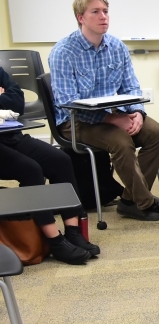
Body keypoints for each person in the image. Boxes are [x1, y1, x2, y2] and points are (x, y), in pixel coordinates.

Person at [49, 0, 159, 222]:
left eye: (106, 11)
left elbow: (131, 87)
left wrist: (137, 113)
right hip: (75, 122)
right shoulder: (63, 52)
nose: (104, 17)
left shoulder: (116, 46)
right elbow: (68, 102)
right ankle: (146, 202)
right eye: (96, 12)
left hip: (112, 114)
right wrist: (113, 120)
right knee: (121, 141)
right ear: (81, 17)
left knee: (157, 134)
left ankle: (130, 201)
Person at [0, 67, 99, 264]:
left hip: (9, 134)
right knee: (30, 170)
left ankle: (73, 231)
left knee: (60, 161)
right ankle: (54, 239)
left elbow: (17, 101)